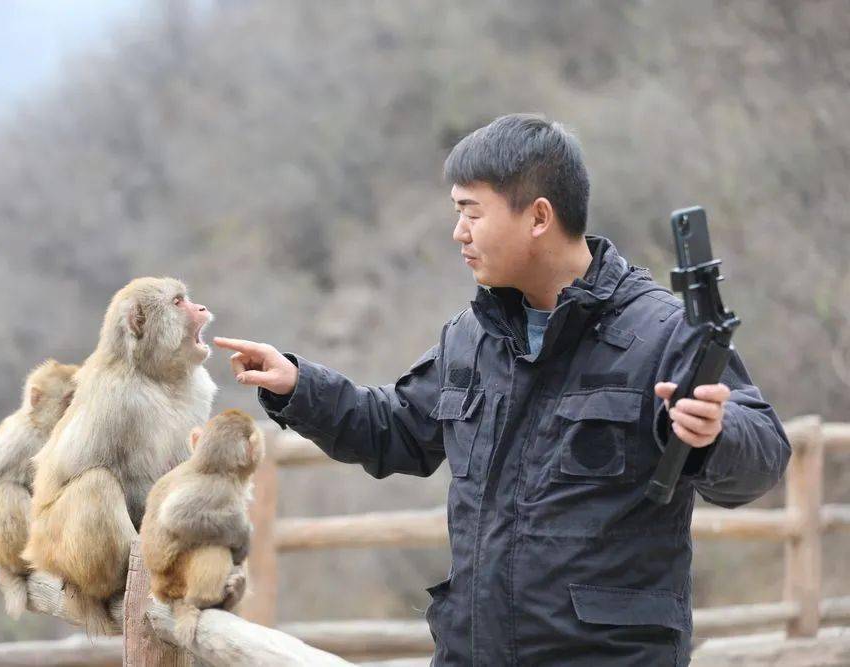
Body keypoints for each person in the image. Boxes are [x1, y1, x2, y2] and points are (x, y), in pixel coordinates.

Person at [214, 113, 791, 666]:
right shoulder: (473, 337)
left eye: (472, 212)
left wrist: (715, 434)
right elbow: (398, 432)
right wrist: (299, 386)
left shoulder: (663, 331)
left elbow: (763, 450)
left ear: (538, 217)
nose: (457, 232)